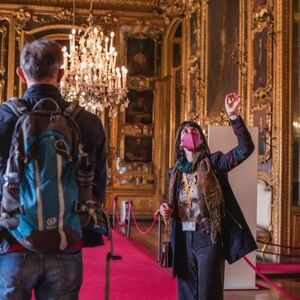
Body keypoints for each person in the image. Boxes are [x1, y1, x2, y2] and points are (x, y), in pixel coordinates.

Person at [0, 39, 106, 299]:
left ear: (21, 74)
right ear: (61, 74)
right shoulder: (88, 122)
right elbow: (98, 186)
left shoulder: (3, 117)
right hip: (66, 241)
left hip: (13, 243)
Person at [159, 92, 257, 300]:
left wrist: (233, 116)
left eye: (195, 130)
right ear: (180, 142)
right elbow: (171, 204)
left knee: (208, 294)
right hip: (183, 237)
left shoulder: (216, 163)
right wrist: (165, 209)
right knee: (185, 293)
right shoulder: (174, 172)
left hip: (208, 237)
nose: (191, 132)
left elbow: (245, 149)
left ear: (202, 139)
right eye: (186, 130)